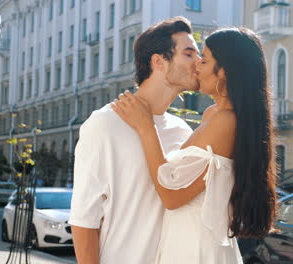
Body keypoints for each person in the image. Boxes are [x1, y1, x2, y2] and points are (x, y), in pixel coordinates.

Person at [112, 27, 277, 264]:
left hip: (196, 246)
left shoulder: (226, 121)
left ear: (226, 71)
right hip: (185, 238)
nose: (197, 64)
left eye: (205, 59)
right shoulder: (213, 114)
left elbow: (172, 197)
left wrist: (146, 127)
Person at [69, 17, 200, 264]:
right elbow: (84, 218)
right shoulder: (105, 123)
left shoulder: (182, 131)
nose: (199, 62)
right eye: (189, 53)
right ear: (159, 61)